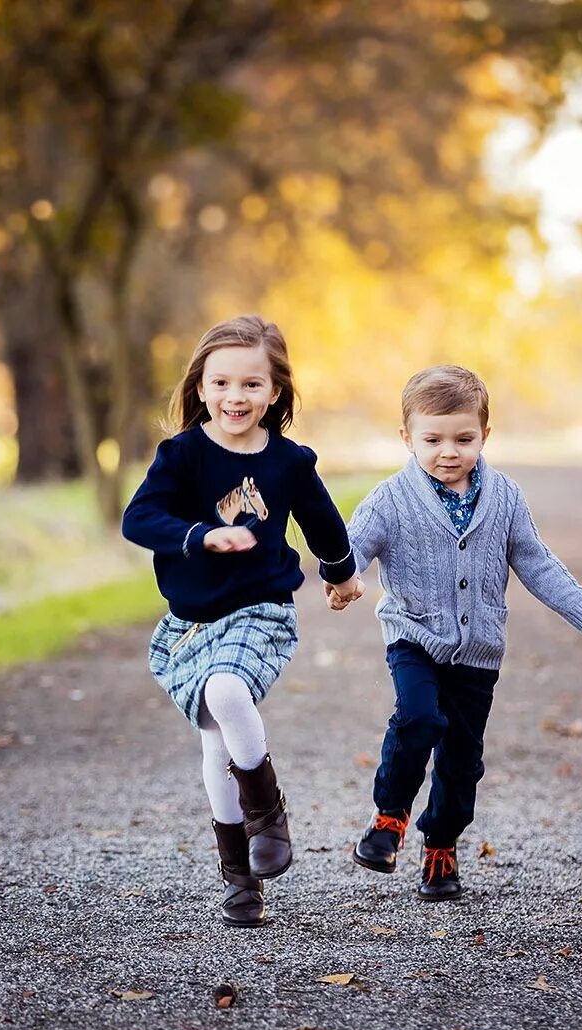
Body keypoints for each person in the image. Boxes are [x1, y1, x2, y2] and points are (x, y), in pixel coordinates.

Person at [327, 365, 582, 901]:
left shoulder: (506, 498)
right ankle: (389, 818)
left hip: (478, 651)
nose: (449, 451)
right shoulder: (390, 499)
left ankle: (440, 845)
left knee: (462, 759)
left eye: (463, 439)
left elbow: (537, 564)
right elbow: (353, 545)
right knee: (419, 718)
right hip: (414, 637)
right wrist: (342, 579)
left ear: (484, 436)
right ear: (407, 439)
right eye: (433, 439)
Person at [122, 314, 366, 927]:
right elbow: (139, 520)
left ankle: (268, 812)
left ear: (275, 392)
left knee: (227, 690)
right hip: (192, 626)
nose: (237, 397)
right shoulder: (180, 456)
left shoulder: (287, 461)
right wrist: (200, 536)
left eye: (252, 385)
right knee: (212, 742)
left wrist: (340, 574)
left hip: (260, 611)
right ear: (200, 387)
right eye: (223, 383)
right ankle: (240, 878)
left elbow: (323, 523)